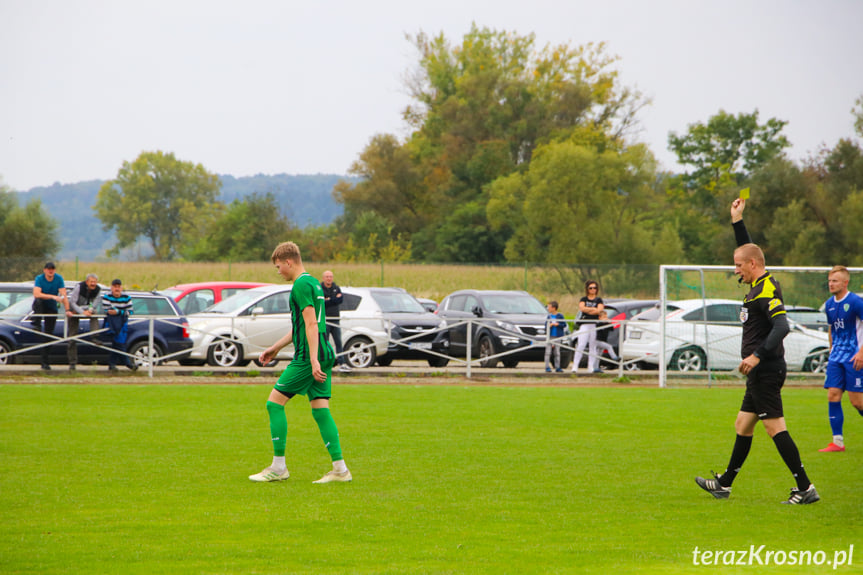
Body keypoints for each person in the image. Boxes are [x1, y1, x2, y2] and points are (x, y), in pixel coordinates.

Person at [695, 197, 818, 505]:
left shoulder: (767, 290)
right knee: (742, 424)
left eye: (739, 266)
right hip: (759, 372)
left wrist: (756, 355)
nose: (737, 270)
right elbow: (750, 252)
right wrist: (737, 221)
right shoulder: (757, 279)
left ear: (752, 266)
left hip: (766, 370)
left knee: (775, 428)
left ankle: (805, 488)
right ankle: (723, 484)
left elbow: (782, 327)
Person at [250, 242, 351, 484]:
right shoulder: (314, 282)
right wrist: (276, 347)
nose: (278, 272)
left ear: (289, 262)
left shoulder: (300, 285)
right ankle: (340, 470)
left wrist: (313, 360)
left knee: (274, 404)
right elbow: (301, 326)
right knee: (320, 410)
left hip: (308, 357)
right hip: (323, 352)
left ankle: (278, 467)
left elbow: (311, 325)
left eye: (278, 267)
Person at [818, 265, 863, 452]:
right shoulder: (829, 304)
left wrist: (861, 353)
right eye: (829, 281)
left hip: (855, 357)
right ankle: (837, 442)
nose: (831, 284)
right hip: (837, 357)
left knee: (857, 402)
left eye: (835, 281)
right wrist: (831, 351)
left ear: (845, 282)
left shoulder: (856, 302)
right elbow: (831, 329)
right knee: (833, 395)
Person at [32, 261, 69, 370]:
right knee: (38, 301)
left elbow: (64, 295)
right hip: (41, 305)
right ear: (44, 270)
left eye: (52, 269)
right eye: (48, 269)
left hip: (51, 308)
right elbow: (36, 294)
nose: (50, 271)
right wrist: (52, 296)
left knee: (49, 335)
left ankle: (45, 362)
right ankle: (37, 324)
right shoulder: (39, 278)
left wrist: (67, 309)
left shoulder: (58, 279)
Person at [66, 273, 101, 371]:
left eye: (95, 282)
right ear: (87, 282)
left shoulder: (98, 290)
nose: (93, 284)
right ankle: (72, 363)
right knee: (72, 337)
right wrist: (81, 312)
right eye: (91, 282)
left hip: (85, 309)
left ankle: (94, 336)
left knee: (95, 312)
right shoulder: (79, 287)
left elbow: (94, 304)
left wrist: (89, 310)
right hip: (74, 310)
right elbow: (72, 302)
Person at [101, 279, 135, 372]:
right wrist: (121, 312)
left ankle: (113, 364)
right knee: (118, 343)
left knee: (118, 343)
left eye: (118, 287)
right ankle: (127, 363)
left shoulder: (127, 297)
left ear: (121, 288)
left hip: (123, 323)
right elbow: (107, 310)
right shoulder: (107, 297)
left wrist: (118, 311)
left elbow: (130, 311)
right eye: (115, 286)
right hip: (111, 323)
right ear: (111, 288)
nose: (117, 289)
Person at [321, 270, 351, 373]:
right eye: (327, 277)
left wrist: (329, 299)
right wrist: (333, 299)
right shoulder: (320, 288)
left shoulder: (336, 288)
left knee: (339, 342)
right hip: (325, 320)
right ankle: (325, 363)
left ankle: (342, 362)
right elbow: (322, 303)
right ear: (323, 278)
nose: (329, 278)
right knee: (325, 342)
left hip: (335, 320)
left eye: (330, 276)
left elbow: (340, 300)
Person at [571, 280, 604, 374]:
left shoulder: (598, 300)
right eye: (591, 288)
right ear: (587, 289)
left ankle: (590, 367)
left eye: (595, 288)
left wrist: (590, 310)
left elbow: (599, 310)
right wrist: (593, 309)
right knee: (581, 345)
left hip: (593, 324)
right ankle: (575, 366)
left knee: (592, 346)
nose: (593, 289)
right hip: (584, 324)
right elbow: (582, 308)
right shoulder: (583, 299)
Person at [545, 301, 565, 373]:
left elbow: (564, 324)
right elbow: (545, 325)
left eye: (549, 307)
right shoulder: (549, 316)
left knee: (557, 352)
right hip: (550, 336)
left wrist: (558, 324)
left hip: (558, 336)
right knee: (548, 352)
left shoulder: (560, 316)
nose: (548, 308)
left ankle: (557, 367)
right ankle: (547, 367)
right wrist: (549, 326)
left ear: (554, 308)